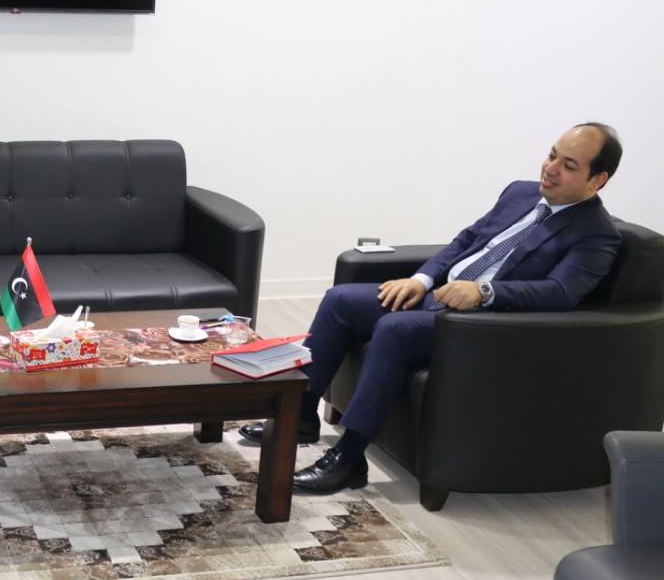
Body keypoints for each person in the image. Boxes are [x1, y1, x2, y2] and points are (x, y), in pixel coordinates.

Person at [240, 123, 624, 494]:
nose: (550, 168)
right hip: (437, 297)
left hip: (482, 326)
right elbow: (466, 241)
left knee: (395, 330)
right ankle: (300, 415)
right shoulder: (521, 193)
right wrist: (421, 280)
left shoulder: (596, 233)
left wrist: (485, 292)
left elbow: (560, 293)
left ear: (598, 180)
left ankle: (349, 458)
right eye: (552, 155)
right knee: (340, 300)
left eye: (568, 165)